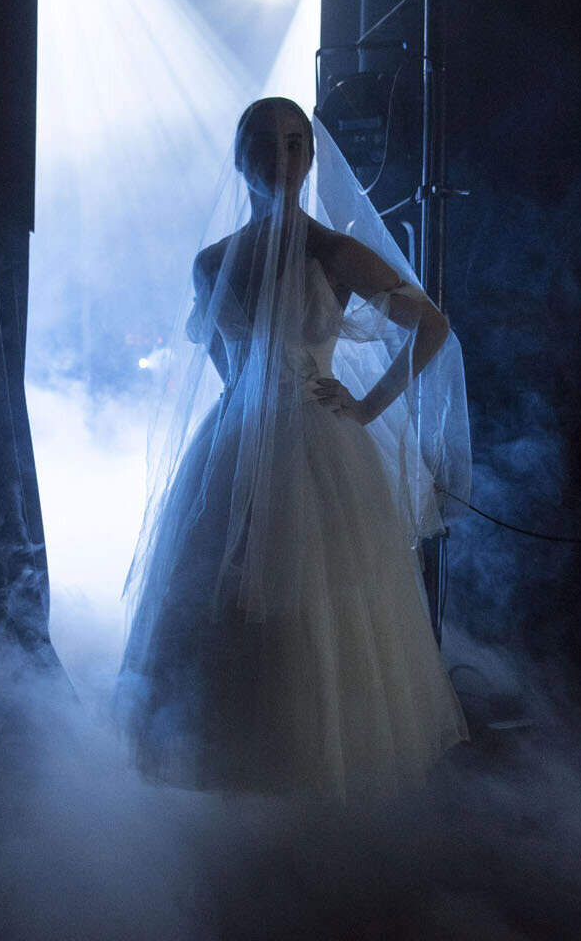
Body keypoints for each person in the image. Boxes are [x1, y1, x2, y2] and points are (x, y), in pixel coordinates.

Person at [112, 97, 471, 803]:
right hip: (237, 442)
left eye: (294, 144)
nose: (280, 158)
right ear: (240, 155)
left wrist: (366, 406)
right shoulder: (211, 263)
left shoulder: (334, 252)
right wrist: (253, 414)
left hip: (318, 444)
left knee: (318, 603)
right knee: (227, 601)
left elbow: (431, 326)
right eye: (263, 143)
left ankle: (315, 778)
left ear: (309, 158)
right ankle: (232, 772)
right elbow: (226, 366)